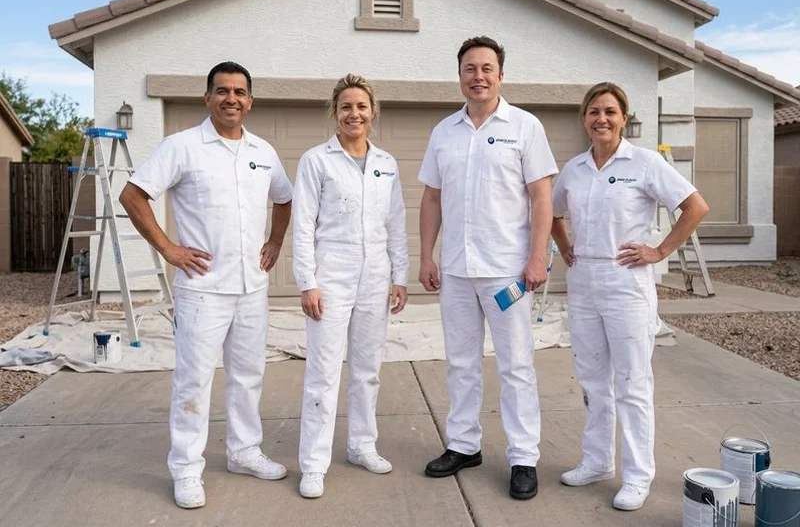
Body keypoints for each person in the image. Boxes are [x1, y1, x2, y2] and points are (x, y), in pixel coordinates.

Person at [119, 61, 293, 509]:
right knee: (194, 381)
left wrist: (275, 241)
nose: (231, 98)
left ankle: (244, 451)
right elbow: (133, 195)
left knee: (248, 376)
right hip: (201, 290)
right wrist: (168, 249)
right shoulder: (182, 146)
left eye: (239, 92)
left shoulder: (263, 150)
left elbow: (284, 197)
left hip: (251, 287)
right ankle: (186, 469)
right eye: (222, 91)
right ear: (207, 98)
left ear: (250, 100)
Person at [551, 82, 709, 511]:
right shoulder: (575, 169)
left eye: (610, 112)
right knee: (592, 380)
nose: (601, 119)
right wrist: (565, 246)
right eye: (593, 112)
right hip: (584, 284)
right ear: (584, 119)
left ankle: (638, 475)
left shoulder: (645, 162)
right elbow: (551, 212)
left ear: (624, 118)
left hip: (626, 285)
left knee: (632, 384)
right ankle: (597, 461)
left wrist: (659, 251)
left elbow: (695, 206)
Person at [418, 36, 558, 500]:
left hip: (507, 273)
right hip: (457, 270)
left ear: (500, 74)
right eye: (469, 68)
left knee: (516, 364)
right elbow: (433, 197)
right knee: (461, 362)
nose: (478, 76)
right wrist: (426, 255)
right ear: (459, 75)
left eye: (486, 68)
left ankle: (523, 457)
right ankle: (463, 445)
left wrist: (537, 257)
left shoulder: (525, 126)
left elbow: (542, 196)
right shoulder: (444, 131)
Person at [292, 73, 409, 499]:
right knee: (323, 373)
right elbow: (302, 226)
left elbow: (396, 223)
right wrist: (308, 282)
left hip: (375, 277)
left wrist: (400, 276)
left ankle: (362, 445)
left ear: (372, 112)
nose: (354, 113)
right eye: (346, 107)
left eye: (361, 106)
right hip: (331, 276)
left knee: (367, 371)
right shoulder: (316, 161)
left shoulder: (387, 163)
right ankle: (314, 462)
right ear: (335, 112)